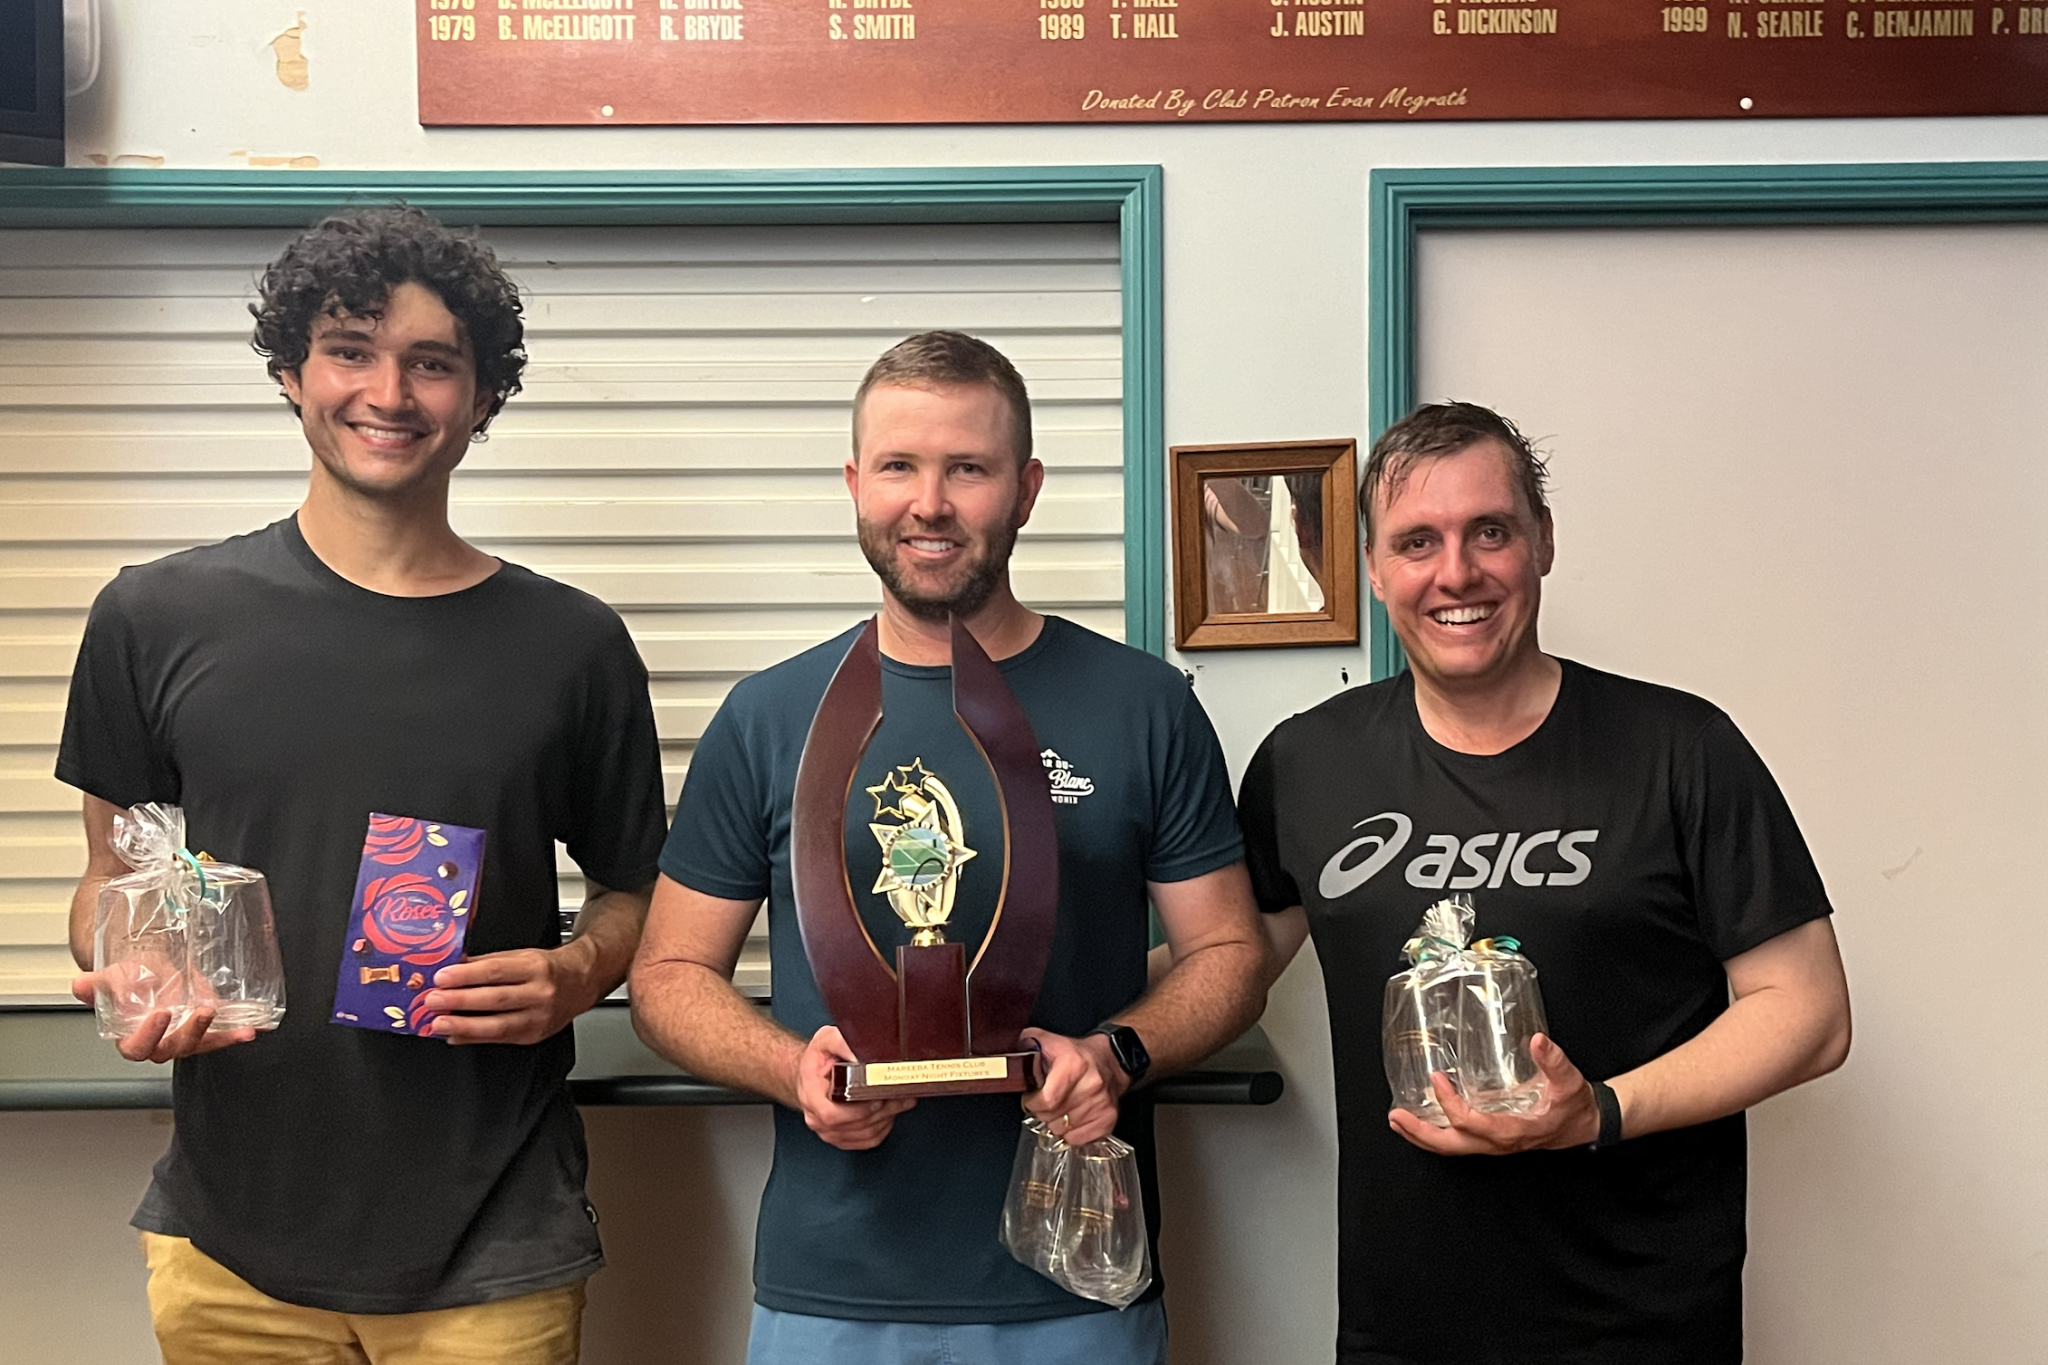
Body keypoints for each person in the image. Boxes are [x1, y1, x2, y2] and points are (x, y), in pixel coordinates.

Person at [59, 205, 668, 1364]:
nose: (387, 392)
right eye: (349, 350)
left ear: (480, 397)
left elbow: (640, 892)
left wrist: (577, 973)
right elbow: (105, 878)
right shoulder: (153, 617)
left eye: (431, 363)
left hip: (495, 1241)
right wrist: (125, 966)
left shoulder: (573, 645)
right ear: (292, 372)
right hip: (228, 1244)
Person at [631, 331, 1269, 1364]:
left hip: (1074, 1280)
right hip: (829, 1289)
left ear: (1023, 488)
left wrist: (1116, 1055)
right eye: (898, 466)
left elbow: (1229, 958)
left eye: (966, 468)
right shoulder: (768, 717)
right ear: (853, 483)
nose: (929, 503)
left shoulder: (1141, 706)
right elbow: (665, 976)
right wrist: (792, 1068)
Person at [1238, 402, 1852, 1365]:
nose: (1456, 572)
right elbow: (1229, 956)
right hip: (1405, 1325)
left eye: (1491, 531)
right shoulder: (1306, 763)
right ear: (1371, 567)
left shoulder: (1681, 748)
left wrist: (1599, 1109)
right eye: (1416, 541)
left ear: (1544, 542)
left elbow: (1810, 1012)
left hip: (1641, 1323)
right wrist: (1065, 1022)